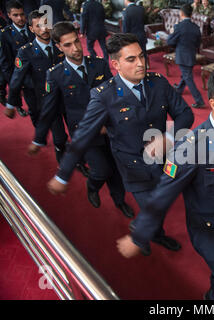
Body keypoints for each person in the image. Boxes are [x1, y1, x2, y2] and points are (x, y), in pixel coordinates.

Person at [116, 68, 214, 300]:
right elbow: (163, 194)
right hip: (211, 236)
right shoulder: (191, 148)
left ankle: (213, 295)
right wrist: (139, 236)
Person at [45, 33, 194, 251]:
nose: (141, 63)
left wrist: (169, 137)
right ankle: (149, 235)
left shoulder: (158, 83)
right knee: (152, 207)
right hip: (133, 165)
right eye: (131, 59)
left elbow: (185, 115)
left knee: (161, 203)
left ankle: (148, 231)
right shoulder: (103, 96)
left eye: (142, 57)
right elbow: (83, 135)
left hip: (164, 162)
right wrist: (63, 174)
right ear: (115, 64)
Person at [28, 22, 133, 218]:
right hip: (84, 134)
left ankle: (120, 201)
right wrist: (39, 138)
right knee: (102, 170)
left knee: (117, 169)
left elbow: (115, 95)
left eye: (76, 41)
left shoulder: (99, 64)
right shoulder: (56, 75)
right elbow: (49, 111)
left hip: (109, 129)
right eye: (67, 45)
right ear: (59, 47)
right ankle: (92, 185)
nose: (75, 48)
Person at [3, 10, 68, 164]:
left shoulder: (62, 45)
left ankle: (77, 161)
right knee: (59, 137)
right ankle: (62, 160)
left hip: (68, 97)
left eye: (46, 25)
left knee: (77, 131)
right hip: (47, 101)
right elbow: (16, 79)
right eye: (38, 26)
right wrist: (11, 103)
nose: (44, 29)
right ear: (31, 29)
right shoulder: (26, 52)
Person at [0, 0, 34, 117]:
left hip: (37, 75)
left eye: (22, 14)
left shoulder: (33, 28)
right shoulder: (5, 35)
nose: (20, 18)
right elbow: (6, 63)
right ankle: (19, 106)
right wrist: (12, 82)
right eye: (15, 15)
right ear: (9, 15)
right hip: (21, 76)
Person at [168, 4, 205, 109]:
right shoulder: (196, 27)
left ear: (181, 13)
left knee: (188, 78)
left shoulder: (178, 27)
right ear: (191, 14)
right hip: (191, 55)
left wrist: (172, 32)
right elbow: (198, 44)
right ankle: (179, 89)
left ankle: (199, 100)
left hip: (182, 56)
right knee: (186, 74)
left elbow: (170, 41)